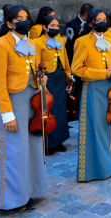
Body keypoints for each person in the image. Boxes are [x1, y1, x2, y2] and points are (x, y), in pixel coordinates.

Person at [0, 4, 47, 210]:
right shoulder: (0, 45)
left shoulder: (32, 43)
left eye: (26, 18)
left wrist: (42, 79)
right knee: (12, 151)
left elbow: (34, 72)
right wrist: (7, 115)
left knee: (31, 150)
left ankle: (27, 192)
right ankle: (9, 200)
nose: (25, 22)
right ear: (9, 23)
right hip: (13, 103)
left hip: (32, 100)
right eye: (19, 19)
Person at [71, 9, 111, 181]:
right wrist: (102, 73)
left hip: (108, 88)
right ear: (91, 23)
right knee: (94, 128)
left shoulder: (109, 40)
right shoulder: (82, 42)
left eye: (104, 19)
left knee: (108, 126)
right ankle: (93, 169)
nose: (102, 22)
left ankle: (109, 165)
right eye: (98, 20)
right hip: (92, 89)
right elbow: (76, 69)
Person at [33, 15, 72, 155]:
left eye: (57, 26)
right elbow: (36, 64)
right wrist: (40, 83)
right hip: (47, 80)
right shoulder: (37, 42)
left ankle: (59, 141)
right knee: (48, 110)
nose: (55, 28)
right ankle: (48, 144)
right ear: (44, 27)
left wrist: (69, 79)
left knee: (61, 111)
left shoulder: (60, 41)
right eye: (52, 26)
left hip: (60, 79)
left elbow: (66, 61)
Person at [64, 4, 94, 115]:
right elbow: (70, 46)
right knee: (76, 90)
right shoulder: (72, 24)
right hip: (75, 59)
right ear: (87, 14)